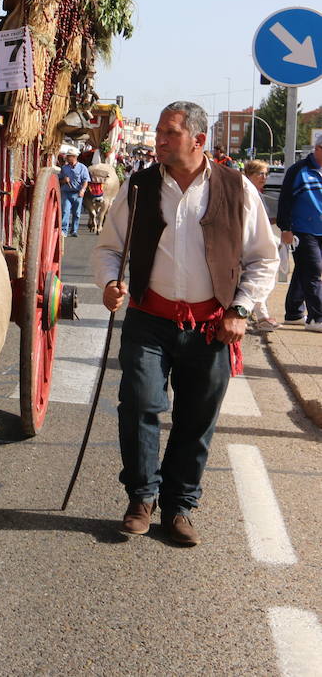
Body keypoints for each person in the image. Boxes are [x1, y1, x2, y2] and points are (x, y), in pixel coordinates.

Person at [93, 101, 277, 547]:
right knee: (139, 404)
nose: (158, 139)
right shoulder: (139, 186)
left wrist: (240, 311)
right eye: (158, 131)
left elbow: (263, 258)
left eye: (169, 133)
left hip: (211, 326)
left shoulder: (237, 189)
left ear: (198, 140)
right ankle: (141, 498)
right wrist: (110, 283)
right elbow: (109, 248)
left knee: (196, 420)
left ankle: (180, 507)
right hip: (149, 320)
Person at [277, 135, 322, 330]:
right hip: (302, 230)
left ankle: (294, 313)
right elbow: (285, 201)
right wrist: (285, 228)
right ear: (318, 148)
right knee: (314, 270)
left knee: (304, 269)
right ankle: (316, 318)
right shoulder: (298, 170)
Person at [241, 159, 282, 332]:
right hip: (247, 245)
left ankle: (260, 315)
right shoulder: (245, 192)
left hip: (257, 243)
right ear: (249, 174)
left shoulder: (258, 192)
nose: (264, 177)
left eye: (266, 174)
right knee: (256, 277)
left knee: (261, 277)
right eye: (260, 173)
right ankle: (261, 316)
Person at [59, 151, 91, 236]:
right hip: (66, 193)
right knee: (65, 211)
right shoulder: (64, 168)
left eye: (69, 156)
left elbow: (85, 180)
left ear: (74, 157)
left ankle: (74, 230)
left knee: (76, 213)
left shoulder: (82, 168)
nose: (67, 158)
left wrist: (83, 190)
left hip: (77, 193)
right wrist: (64, 180)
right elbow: (59, 180)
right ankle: (64, 230)